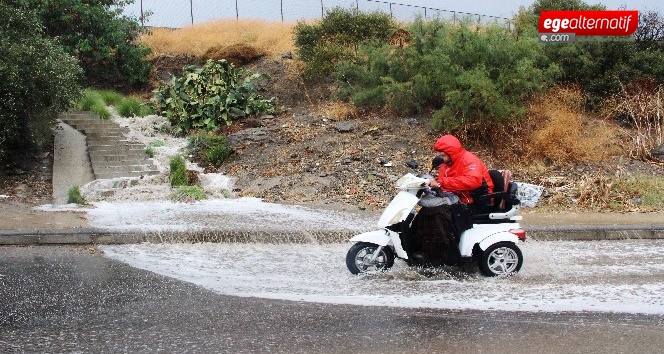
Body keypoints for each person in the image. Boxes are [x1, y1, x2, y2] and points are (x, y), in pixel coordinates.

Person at [427, 135, 494, 212]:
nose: (438, 155)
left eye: (441, 152)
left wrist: (440, 182)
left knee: (440, 215)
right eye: (437, 151)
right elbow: (444, 183)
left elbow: (473, 181)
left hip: (478, 201)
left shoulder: (469, 160)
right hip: (459, 199)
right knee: (429, 209)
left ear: (450, 151)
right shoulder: (446, 164)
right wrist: (431, 185)